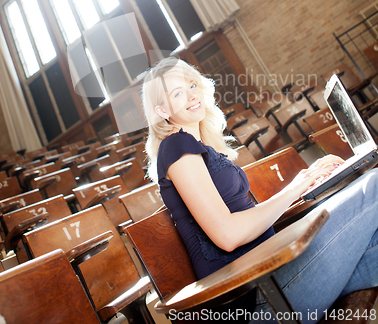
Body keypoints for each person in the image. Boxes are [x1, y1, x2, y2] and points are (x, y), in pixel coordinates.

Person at [141, 57, 378, 323]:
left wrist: (305, 182)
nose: (191, 96)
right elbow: (228, 234)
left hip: (272, 270)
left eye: (192, 85)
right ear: (161, 111)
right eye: (177, 93)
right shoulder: (175, 146)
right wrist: (297, 185)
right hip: (256, 295)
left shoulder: (199, 145)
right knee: (373, 186)